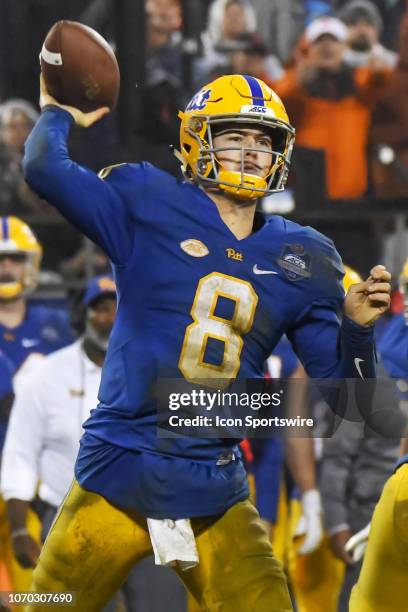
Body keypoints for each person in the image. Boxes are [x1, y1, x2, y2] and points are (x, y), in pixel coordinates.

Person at [22, 72, 391, 612]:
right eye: (236, 136)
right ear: (198, 139)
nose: (251, 152)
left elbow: (351, 404)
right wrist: (58, 111)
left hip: (213, 489)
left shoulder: (305, 255)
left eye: (264, 142)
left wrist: (357, 330)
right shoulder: (148, 198)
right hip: (118, 472)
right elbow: (43, 168)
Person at [0, 216, 72, 379]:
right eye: (0, 258)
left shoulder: (56, 323)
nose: (6, 266)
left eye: (16, 258)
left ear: (31, 263)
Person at [338, 0, 397, 68]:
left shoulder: (391, 62)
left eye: (368, 24)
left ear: (377, 30)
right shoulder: (332, 60)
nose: (362, 30)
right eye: (354, 23)